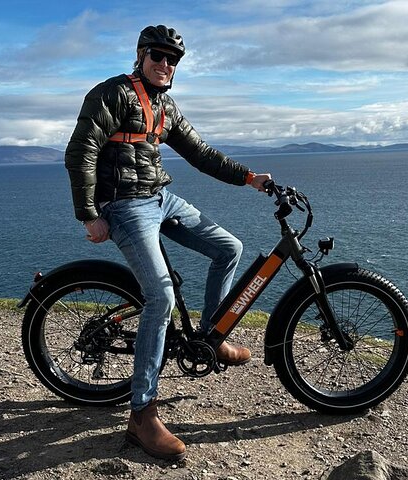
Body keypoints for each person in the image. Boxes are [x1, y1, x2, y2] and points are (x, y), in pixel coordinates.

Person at [64, 25, 271, 461]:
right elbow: (81, 150)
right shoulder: (114, 93)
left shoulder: (166, 106)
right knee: (160, 297)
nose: (164, 64)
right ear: (141, 56)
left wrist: (249, 178)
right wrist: (89, 214)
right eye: (157, 56)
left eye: (172, 59)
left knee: (228, 248)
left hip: (161, 197)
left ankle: (212, 337)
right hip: (124, 205)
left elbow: (201, 153)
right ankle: (141, 416)